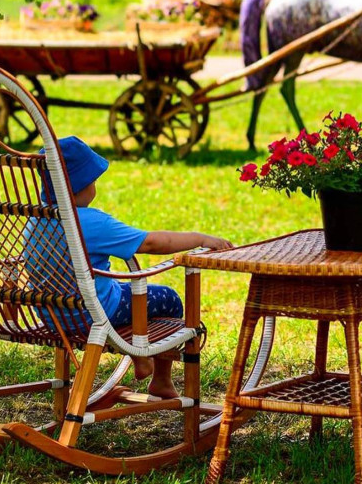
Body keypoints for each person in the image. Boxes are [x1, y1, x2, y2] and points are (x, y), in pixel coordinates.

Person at [25, 136, 232, 399]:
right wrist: (200, 239)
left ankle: (139, 359)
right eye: (93, 181)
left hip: (52, 314)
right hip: (94, 315)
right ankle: (160, 378)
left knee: (118, 290)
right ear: (81, 186)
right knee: (167, 299)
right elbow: (153, 242)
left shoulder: (35, 220)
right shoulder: (91, 222)